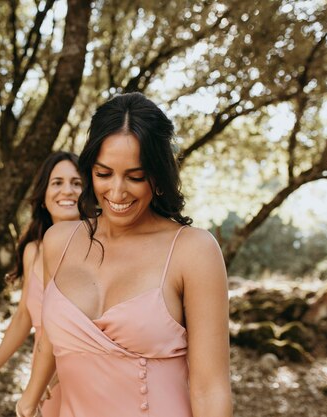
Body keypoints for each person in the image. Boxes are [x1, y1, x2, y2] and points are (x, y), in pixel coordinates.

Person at [16, 93, 232, 417]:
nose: (117, 192)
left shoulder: (193, 251)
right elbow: (50, 339)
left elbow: (210, 388)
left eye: (135, 177)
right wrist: (28, 400)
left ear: (158, 177)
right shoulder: (58, 241)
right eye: (104, 174)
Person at [0, 151, 83, 417]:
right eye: (57, 182)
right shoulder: (32, 250)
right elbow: (24, 315)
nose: (67, 190)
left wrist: (51, 378)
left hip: (84, 375)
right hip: (42, 377)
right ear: (43, 196)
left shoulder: (98, 248)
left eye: (77, 183)